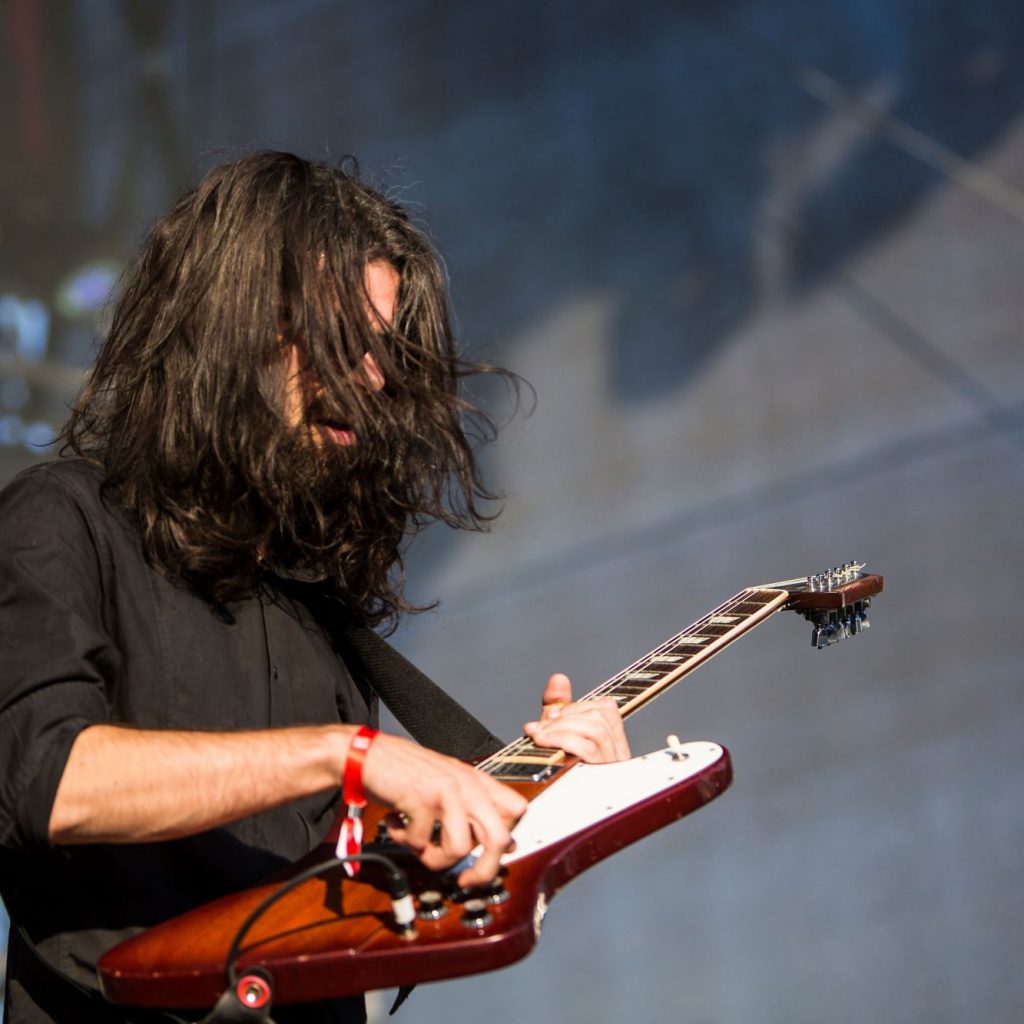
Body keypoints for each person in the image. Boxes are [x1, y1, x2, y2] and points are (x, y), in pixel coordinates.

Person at [0, 151, 629, 1023]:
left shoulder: (311, 607)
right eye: (344, 342)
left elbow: (353, 918)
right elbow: (46, 777)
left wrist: (539, 811)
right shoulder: (61, 517)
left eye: (385, 352)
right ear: (232, 324)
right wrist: (347, 754)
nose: (373, 378)